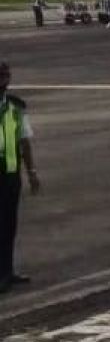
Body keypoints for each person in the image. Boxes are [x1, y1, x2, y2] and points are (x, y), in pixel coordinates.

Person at [0, 63, 40, 294]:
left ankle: (7, 271)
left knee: (9, 224)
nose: (4, 81)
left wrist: (32, 172)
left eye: (6, 76)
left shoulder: (16, 106)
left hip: (10, 173)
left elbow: (24, 141)